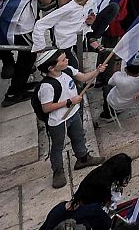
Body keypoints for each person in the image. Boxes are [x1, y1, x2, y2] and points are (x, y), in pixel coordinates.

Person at [32, 48, 103, 188]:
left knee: (78, 136)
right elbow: (47, 107)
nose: (67, 60)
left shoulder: (68, 70)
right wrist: (69, 102)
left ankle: (83, 157)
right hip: (58, 120)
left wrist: (97, 71)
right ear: (52, 68)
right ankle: (58, 170)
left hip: (73, 113)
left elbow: (82, 77)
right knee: (57, 146)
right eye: (63, 60)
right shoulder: (47, 86)